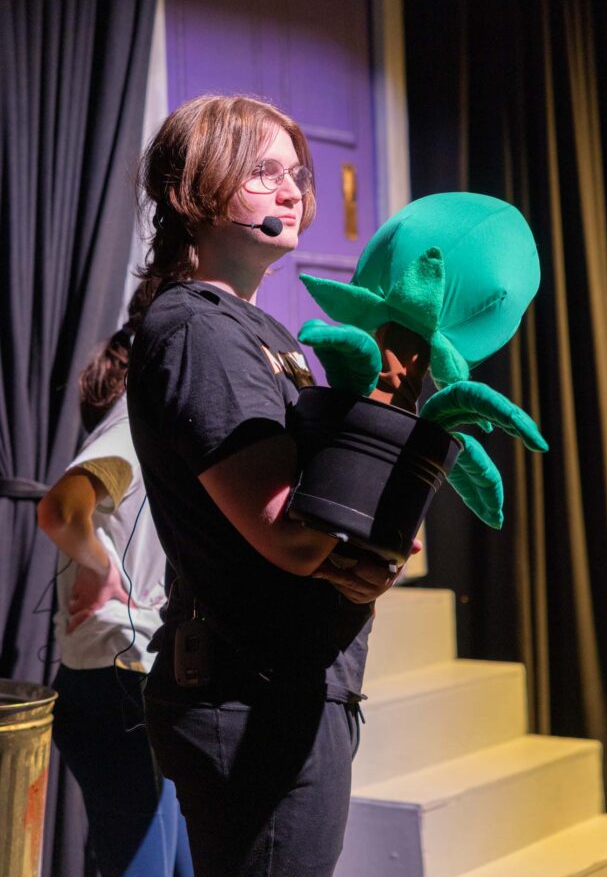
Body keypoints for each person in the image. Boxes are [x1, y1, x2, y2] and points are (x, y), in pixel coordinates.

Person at [126, 94, 419, 877]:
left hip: (287, 687)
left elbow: (336, 510)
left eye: (296, 174)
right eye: (263, 173)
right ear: (194, 188)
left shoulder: (266, 335)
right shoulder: (197, 328)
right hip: (246, 694)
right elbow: (292, 535)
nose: (293, 192)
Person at [37, 283, 193, 877]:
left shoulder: (151, 429)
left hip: (136, 681)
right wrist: (101, 569)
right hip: (116, 686)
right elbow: (57, 510)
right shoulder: (132, 426)